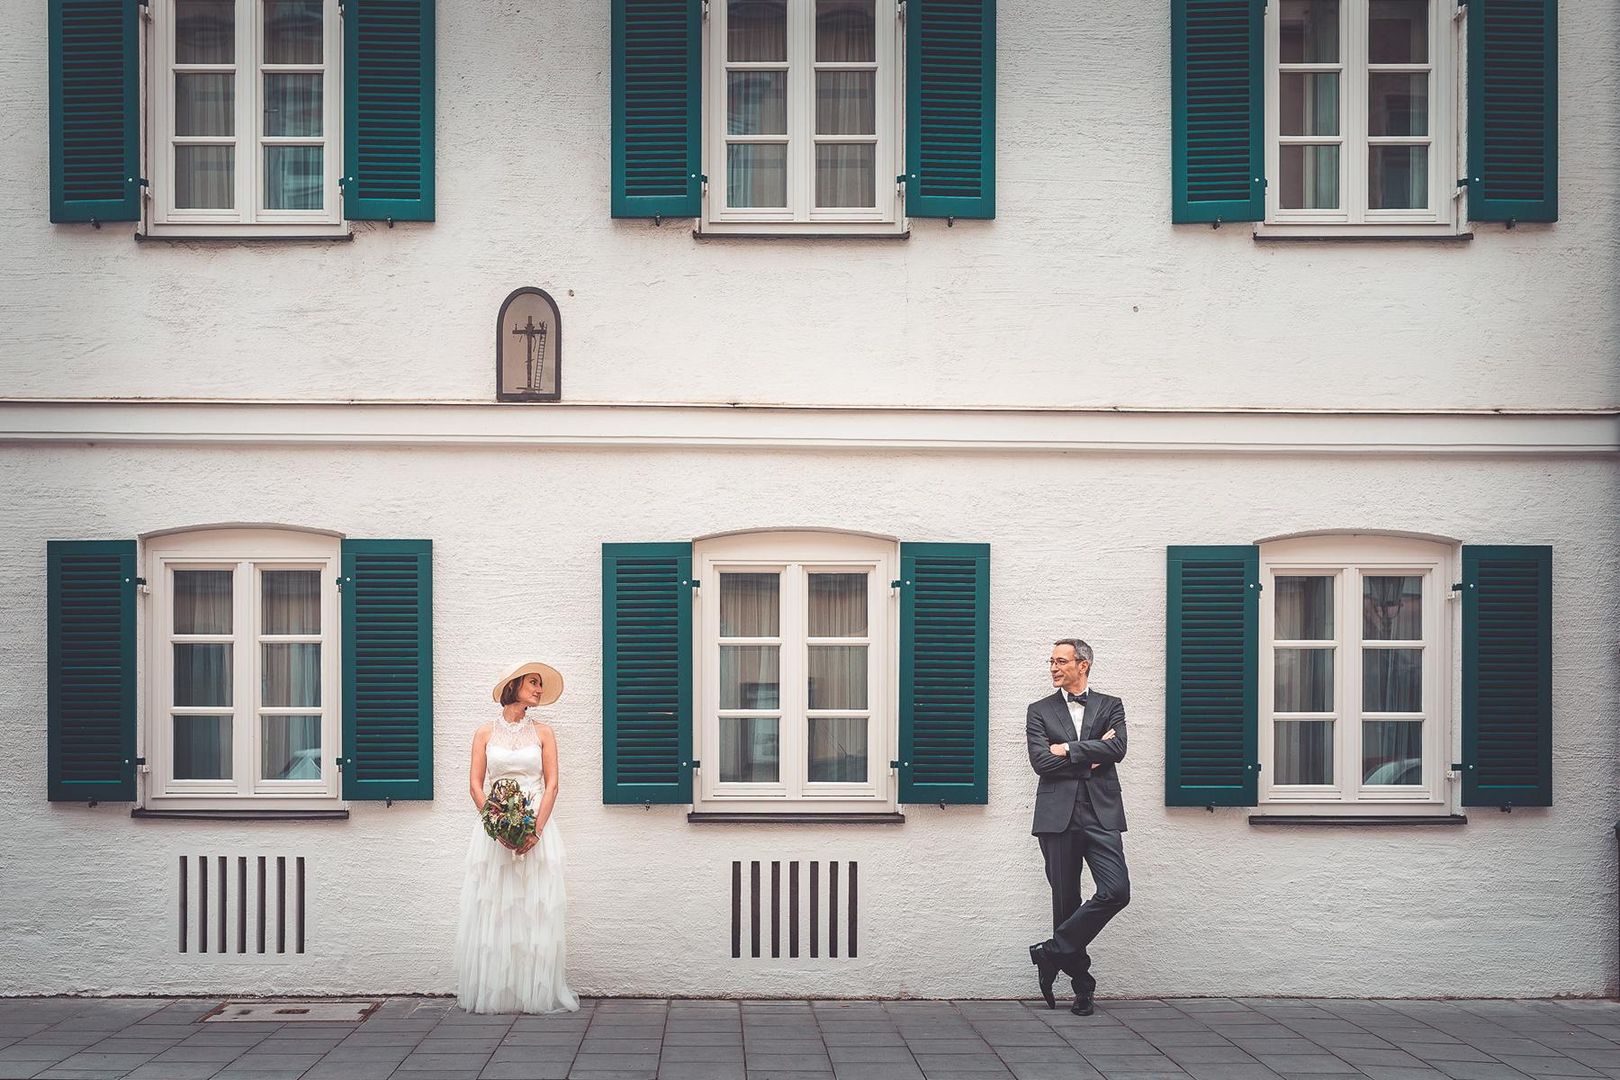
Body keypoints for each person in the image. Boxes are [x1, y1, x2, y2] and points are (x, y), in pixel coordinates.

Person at [454, 661, 580, 1014]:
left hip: (535, 825)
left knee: (534, 905)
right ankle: (498, 990)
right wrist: (494, 822)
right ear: (514, 687)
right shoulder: (483, 733)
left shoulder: (544, 733)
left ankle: (533, 991)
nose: (539, 690)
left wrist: (536, 831)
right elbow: (475, 785)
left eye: (540, 684)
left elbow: (553, 784)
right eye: (533, 683)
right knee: (496, 906)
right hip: (493, 832)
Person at [1026, 639, 1129, 1015]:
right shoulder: (1038, 711)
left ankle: (1050, 952)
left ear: (1082, 665)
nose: (1053, 667)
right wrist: (1089, 754)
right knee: (1065, 904)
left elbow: (1118, 750)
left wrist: (1066, 749)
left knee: (1116, 891)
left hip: (1101, 815)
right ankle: (1082, 988)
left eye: (1060, 661)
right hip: (1057, 818)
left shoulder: (1110, 705)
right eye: (1050, 660)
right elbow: (1040, 762)